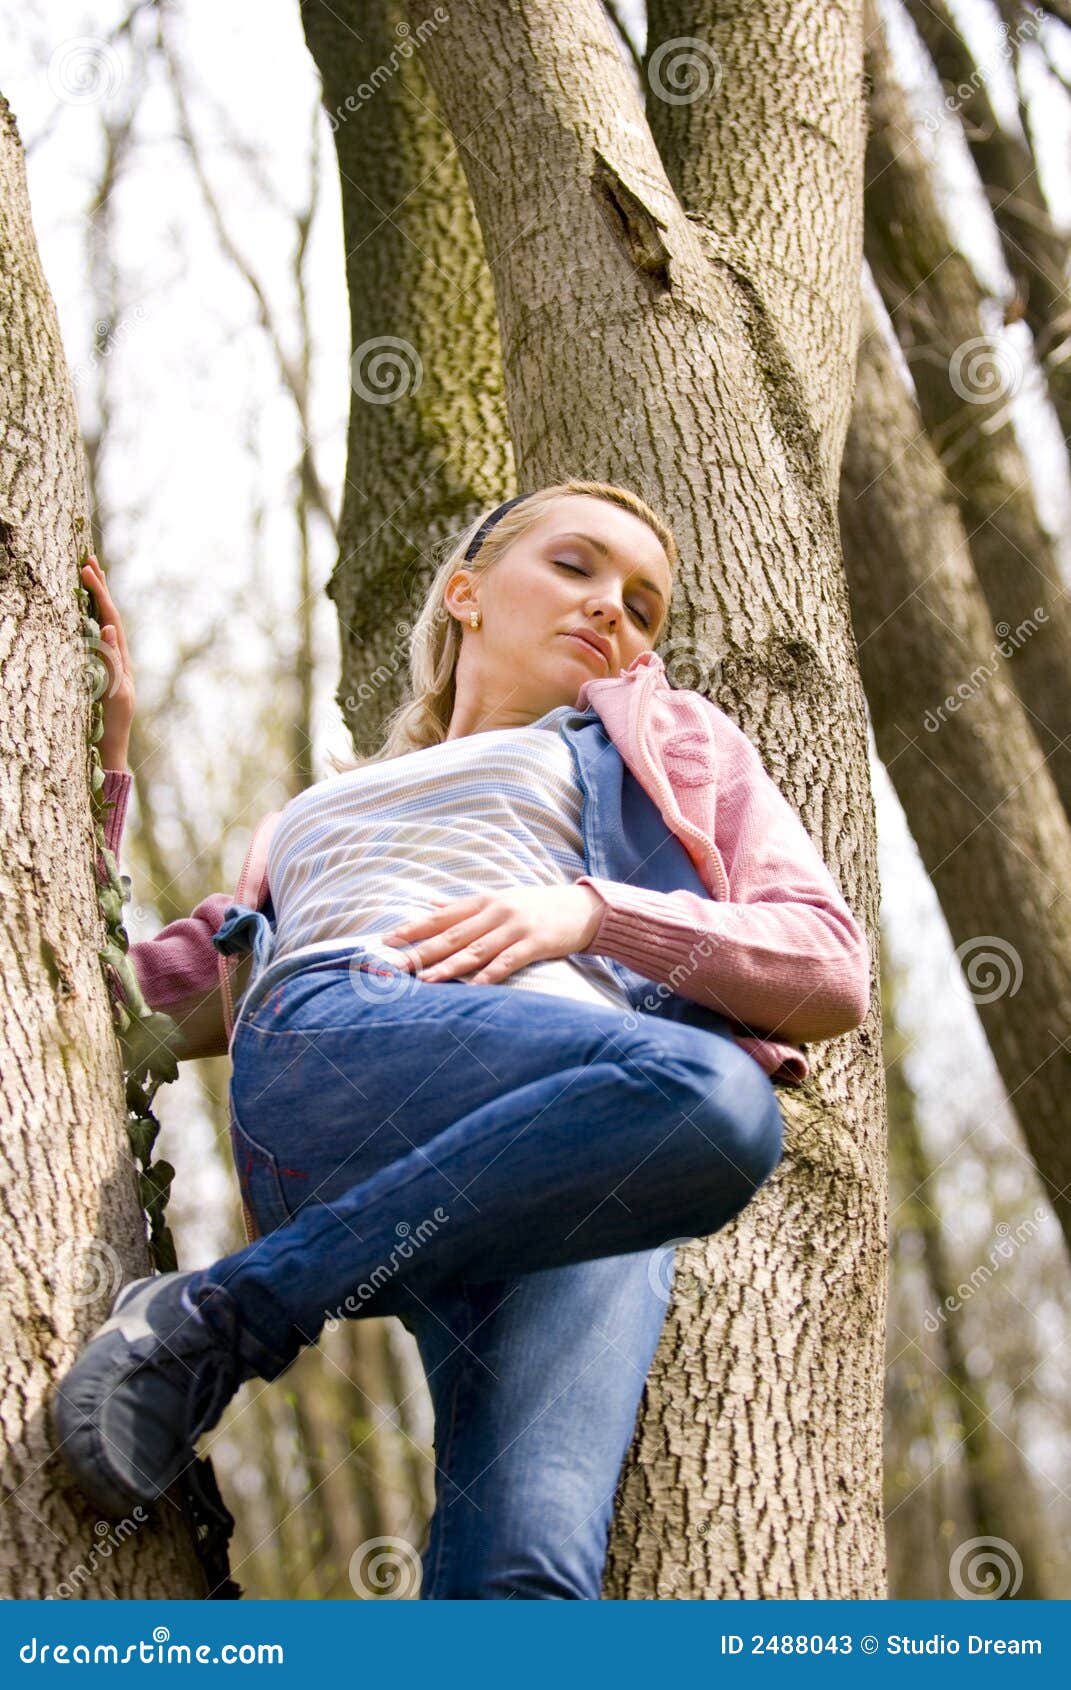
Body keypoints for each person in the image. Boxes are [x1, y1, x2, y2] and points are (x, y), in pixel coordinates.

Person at [53, 481, 870, 1599]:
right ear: (465, 593)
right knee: (713, 1093)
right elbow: (97, 1003)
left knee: (526, 1575)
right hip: (347, 1060)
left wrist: (593, 912)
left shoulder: (667, 746)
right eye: (576, 566)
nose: (612, 611)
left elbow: (826, 965)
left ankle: (226, 1317)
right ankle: (230, 1319)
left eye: (643, 605)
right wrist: (93, 765)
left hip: (586, 1157)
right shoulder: (313, 814)